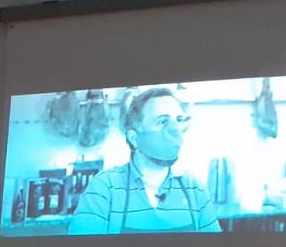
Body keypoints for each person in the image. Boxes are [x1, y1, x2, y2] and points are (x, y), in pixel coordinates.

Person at [70, 87, 220, 234]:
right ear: (134, 138)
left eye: (178, 120)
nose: (175, 131)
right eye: (162, 122)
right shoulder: (104, 188)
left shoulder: (194, 188)